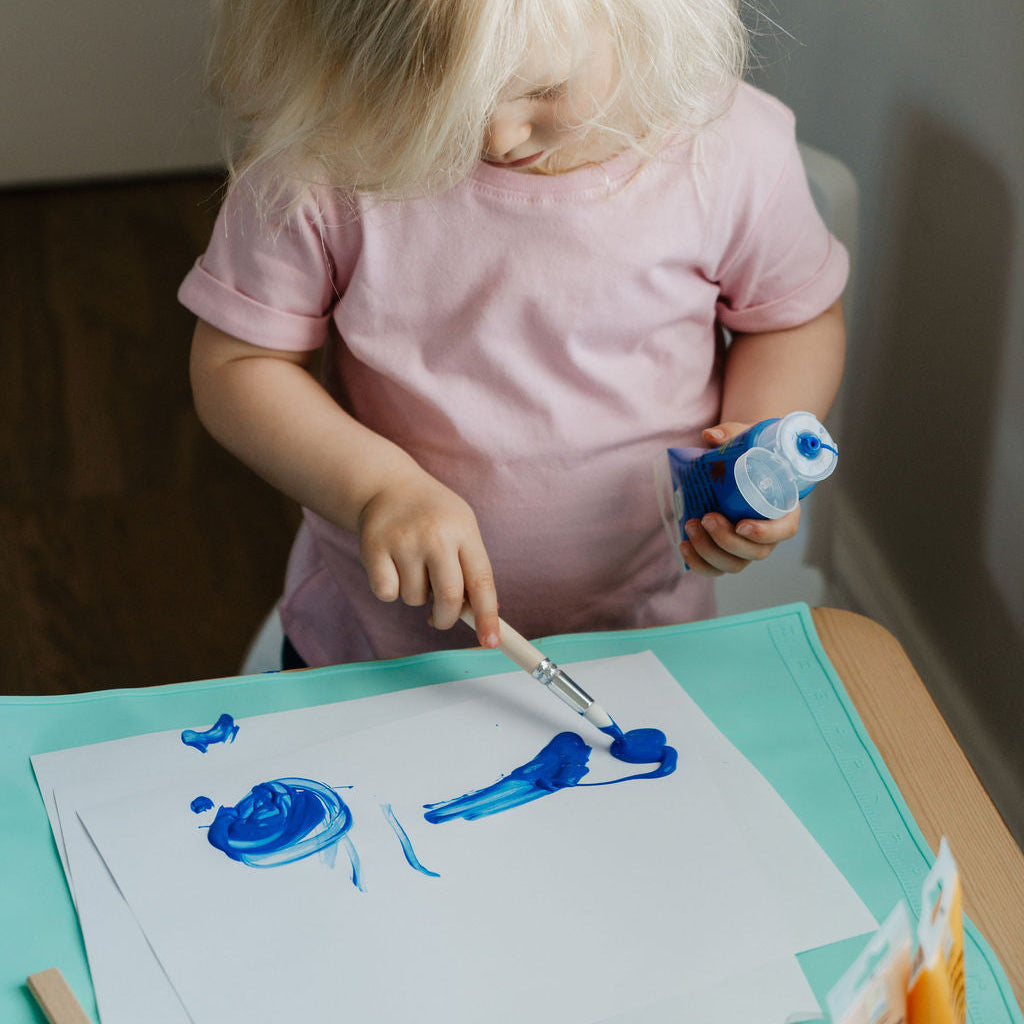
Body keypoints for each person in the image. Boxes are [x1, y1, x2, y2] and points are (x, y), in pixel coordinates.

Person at [181, 0, 846, 669]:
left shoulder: (728, 148)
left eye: (544, 89)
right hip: (374, 644)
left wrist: (755, 448)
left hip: (640, 636)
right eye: (430, 87)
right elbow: (240, 364)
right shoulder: (331, 151)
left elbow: (791, 321)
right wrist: (378, 489)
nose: (498, 137)